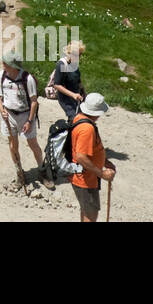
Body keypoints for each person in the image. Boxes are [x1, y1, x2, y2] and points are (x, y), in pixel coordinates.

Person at [0, 48, 54, 190]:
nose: (3, 65)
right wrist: (2, 110)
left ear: (13, 65)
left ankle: (42, 171)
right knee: (13, 146)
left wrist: (29, 120)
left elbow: (34, 101)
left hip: (25, 115)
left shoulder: (27, 79)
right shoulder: (2, 75)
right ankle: (19, 174)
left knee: (33, 144)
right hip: (9, 115)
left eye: (6, 63)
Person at [70, 93, 114, 221]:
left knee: (86, 211)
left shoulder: (78, 118)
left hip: (81, 176)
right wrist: (101, 173)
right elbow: (81, 157)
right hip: (85, 180)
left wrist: (104, 161)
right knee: (90, 215)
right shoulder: (87, 129)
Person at [49, 40, 86, 122]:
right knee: (75, 119)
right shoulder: (62, 65)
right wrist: (73, 95)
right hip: (66, 98)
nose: (78, 57)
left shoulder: (74, 63)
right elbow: (57, 85)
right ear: (70, 53)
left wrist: (84, 92)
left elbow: (78, 80)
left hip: (77, 97)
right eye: (76, 55)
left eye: (80, 55)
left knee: (81, 118)